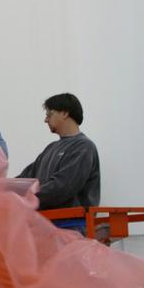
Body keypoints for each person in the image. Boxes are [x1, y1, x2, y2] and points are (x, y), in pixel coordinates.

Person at [16, 93, 100, 231]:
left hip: (72, 229)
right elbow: (25, 179)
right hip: (49, 227)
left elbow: (62, 187)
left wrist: (24, 198)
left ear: (65, 113)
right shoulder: (51, 149)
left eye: (49, 114)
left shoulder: (83, 147)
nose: (45, 120)